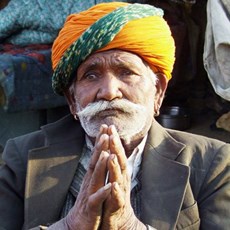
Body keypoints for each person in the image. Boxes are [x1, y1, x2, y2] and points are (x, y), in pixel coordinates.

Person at [0, 2, 229, 230]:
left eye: (126, 72)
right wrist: (69, 226)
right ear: (72, 100)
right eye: (91, 75)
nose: (109, 91)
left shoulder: (213, 163)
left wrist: (131, 226)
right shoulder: (21, 158)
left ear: (158, 91)